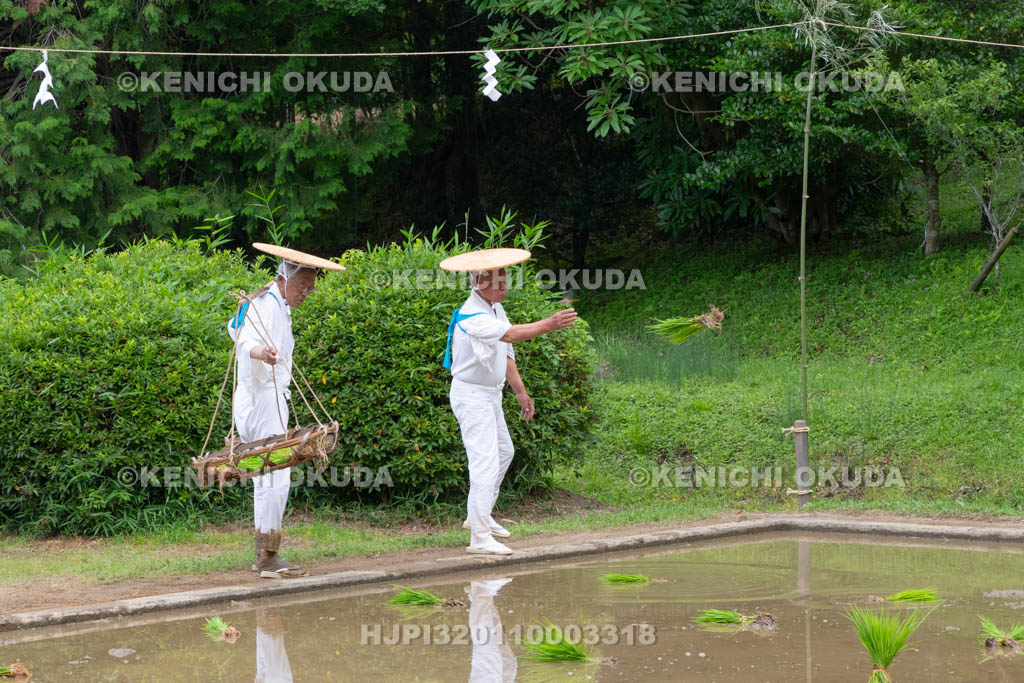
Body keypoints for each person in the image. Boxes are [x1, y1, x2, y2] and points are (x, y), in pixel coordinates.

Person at [440, 248, 577, 555]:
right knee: (485, 462)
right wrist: (550, 323)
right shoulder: (472, 315)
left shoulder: (493, 308)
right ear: (477, 283)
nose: (504, 287)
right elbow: (513, 335)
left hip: (490, 394)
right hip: (471, 395)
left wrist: (520, 391)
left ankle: (479, 517)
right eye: (497, 282)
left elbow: (506, 352)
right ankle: (479, 537)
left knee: (504, 451)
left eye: (505, 281)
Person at [228, 243, 344, 578]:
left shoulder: (268, 300)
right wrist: (261, 352)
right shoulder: (267, 303)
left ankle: (265, 552)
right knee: (276, 475)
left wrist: (258, 351)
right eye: (302, 286)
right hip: (264, 397)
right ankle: (268, 556)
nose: (306, 292)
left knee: (266, 474)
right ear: (283, 278)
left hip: (254, 396)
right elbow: (245, 339)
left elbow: (233, 327)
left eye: (310, 287)